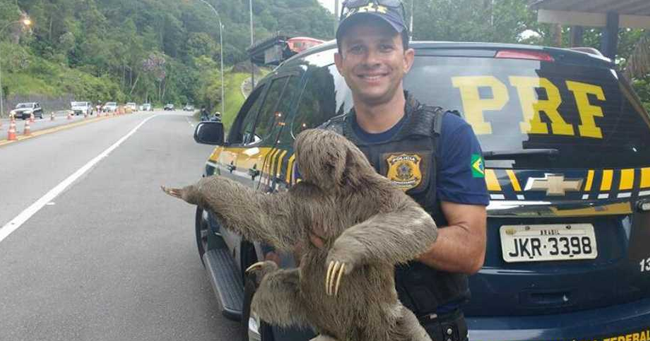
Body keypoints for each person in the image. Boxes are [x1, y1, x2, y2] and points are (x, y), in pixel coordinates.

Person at [297, 1, 487, 341]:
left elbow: (471, 250)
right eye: (357, 48)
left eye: (385, 46)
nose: (371, 60)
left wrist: (368, 235)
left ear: (406, 59)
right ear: (340, 63)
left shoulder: (449, 134)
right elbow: (308, 242)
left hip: (427, 328)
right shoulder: (321, 145)